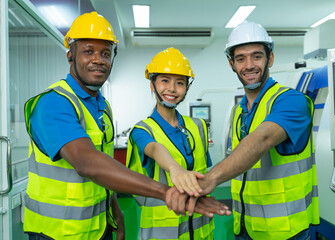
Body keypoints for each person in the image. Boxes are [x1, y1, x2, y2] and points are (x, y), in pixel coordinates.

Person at [23, 12, 230, 240]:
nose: (98, 60)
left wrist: (115, 212)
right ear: (70, 55)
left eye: (105, 53)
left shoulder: (102, 107)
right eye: (88, 51)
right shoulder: (53, 103)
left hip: (99, 229)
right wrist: (166, 191)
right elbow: (87, 163)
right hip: (56, 233)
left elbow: (104, 165)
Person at [167, 21, 320, 240]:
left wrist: (209, 180)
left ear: (270, 59)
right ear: (232, 64)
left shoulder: (292, 101)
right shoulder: (239, 111)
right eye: (241, 58)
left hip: (285, 232)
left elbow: (262, 139)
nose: (249, 65)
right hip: (246, 227)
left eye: (257, 56)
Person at [126, 47, 215, 240]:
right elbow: (155, 148)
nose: (172, 89)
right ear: (152, 84)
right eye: (165, 81)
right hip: (162, 233)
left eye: (180, 83)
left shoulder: (198, 126)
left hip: (202, 232)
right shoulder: (142, 130)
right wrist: (174, 168)